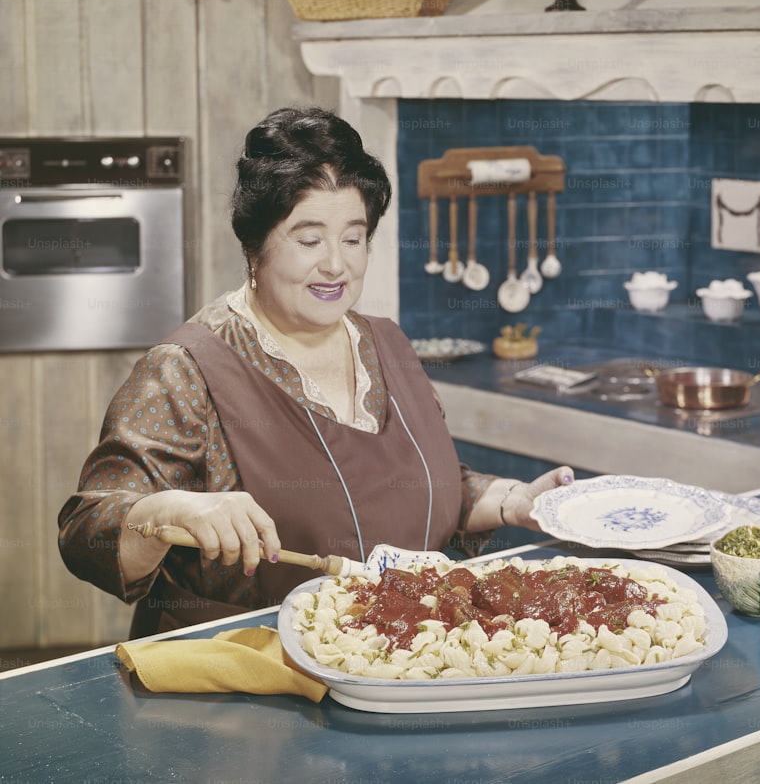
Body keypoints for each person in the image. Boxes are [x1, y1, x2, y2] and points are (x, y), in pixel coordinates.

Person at [57, 106, 573, 638]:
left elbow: (416, 484)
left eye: (352, 238)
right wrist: (170, 508)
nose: (335, 265)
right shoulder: (186, 370)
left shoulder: (385, 342)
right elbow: (85, 531)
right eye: (309, 240)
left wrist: (513, 500)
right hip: (243, 685)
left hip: (399, 664)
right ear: (255, 246)